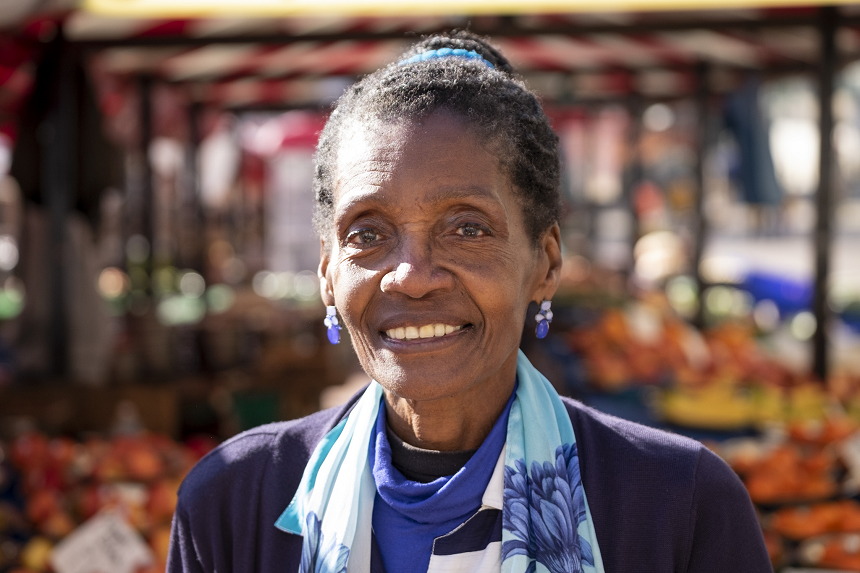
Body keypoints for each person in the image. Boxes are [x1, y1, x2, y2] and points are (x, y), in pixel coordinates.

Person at [167, 32, 772, 573]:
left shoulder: (678, 504)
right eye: (368, 234)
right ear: (328, 274)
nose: (411, 277)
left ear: (546, 263)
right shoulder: (233, 503)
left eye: (467, 228)